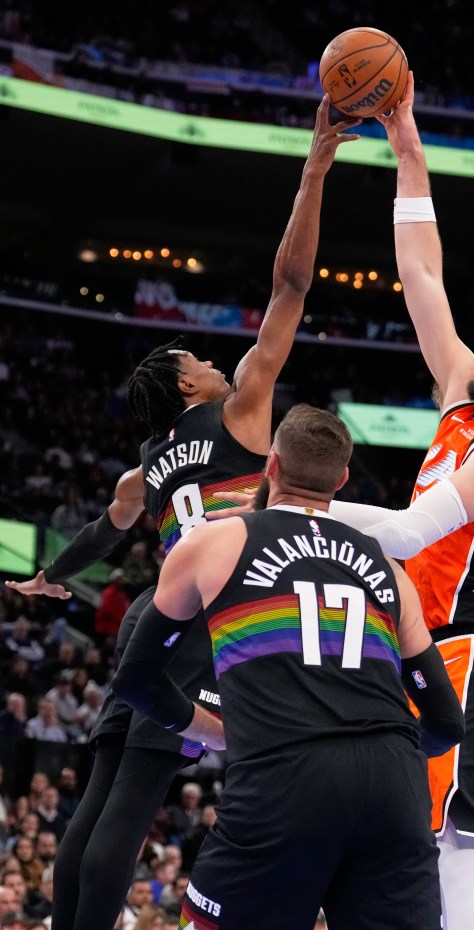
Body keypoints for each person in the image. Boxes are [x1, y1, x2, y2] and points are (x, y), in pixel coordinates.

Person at [5, 96, 362, 930]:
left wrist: (54, 577)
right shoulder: (240, 411)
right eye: (198, 357)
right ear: (189, 384)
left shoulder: (151, 463)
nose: (211, 357)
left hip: (150, 622)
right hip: (210, 611)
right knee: (132, 805)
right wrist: (314, 169)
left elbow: (110, 525)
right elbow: (291, 283)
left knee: (97, 798)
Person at [294, 73, 474, 930]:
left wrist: (296, 512)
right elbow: (420, 271)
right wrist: (405, 139)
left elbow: (415, 529)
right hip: (412, 644)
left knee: (464, 839)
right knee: (398, 833)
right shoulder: (461, 395)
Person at [112, 404, 465, 930]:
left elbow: (136, 680)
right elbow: (447, 723)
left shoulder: (214, 540)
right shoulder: (388, 568)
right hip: (395, 786)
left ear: (270, 466)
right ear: (342, 480)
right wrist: (391, 748)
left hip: (284, 776)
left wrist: (214, 732)